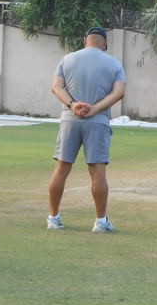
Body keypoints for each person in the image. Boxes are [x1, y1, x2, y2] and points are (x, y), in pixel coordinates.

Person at [48, 26, 126, 233]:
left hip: (69, 120)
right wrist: (96, 108)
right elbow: (119, 92)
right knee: (98, 172)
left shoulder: (67, 59)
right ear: (105, 43)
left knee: (61, 169)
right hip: (98, 122)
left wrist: (73, 105)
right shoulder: (114, 64)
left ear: (85, 41)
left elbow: (57, 87)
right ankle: (101, 222)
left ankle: (53, 218)